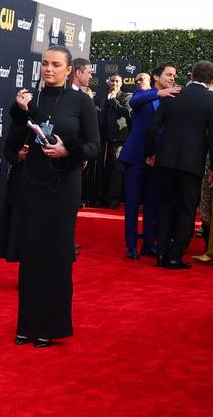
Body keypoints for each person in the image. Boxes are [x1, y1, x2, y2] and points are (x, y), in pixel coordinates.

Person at [4, 45, 100, 347]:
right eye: (45, 63)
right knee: (30, 255)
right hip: (32, 184)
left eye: (56, 64)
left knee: (56, 257)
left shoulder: (81, 102)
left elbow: (94, 145)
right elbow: (15, 141)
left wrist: (66, 150)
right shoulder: (30, 99)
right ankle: (27, 325)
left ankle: (51, 326)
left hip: (63, 187)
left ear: (68, 69)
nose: (49, 69)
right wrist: (20, 115)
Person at [148, 60, 213, 268]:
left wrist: (152, 153)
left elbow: (153, 128)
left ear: (191, 76)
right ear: (211, 80)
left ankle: (161, 253)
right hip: (192, 163)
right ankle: (175, 255)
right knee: (186, 208)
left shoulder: (172, 94)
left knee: (166, 205)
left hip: (165, 160)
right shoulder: (211, 100)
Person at [119, 64, 181, 259]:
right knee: (132, 203)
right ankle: (131, 246)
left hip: (157, 159)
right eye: (168, 74)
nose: (172, 78)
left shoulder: (171, 99)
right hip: (136, 157)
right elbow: (136, 102)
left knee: (153, 204)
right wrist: (160, 93)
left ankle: (148, 244)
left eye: (174, 75)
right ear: (156, 76)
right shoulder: (143, 94)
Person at [91, 73, 131, 208]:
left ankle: (112, 200)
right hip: (101, 138)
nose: (114, 84)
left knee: (116, 169)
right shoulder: (100, 97)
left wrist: (114, 100)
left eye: (117, 81)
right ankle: (98, 198)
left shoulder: (126, 97)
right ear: (108, 82)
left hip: (118, 139)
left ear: (121, 83)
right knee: (99, 169)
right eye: (112, 81)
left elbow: (127, 113)